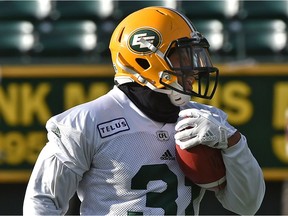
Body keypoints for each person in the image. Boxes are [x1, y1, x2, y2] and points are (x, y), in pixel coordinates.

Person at [23, 6, 265, 215]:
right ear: (145, 59)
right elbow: (42, 202)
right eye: (183, 57)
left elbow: (247, 206)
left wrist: (233, 142)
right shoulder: (84, 123)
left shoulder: (206, 122)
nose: (194, 69)